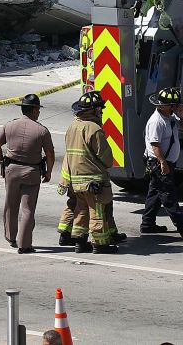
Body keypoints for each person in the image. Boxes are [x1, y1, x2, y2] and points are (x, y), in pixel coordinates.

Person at [58, 90, 121, 254]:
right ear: (93, 110)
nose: (101, 111)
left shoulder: (72, 126)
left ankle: (79, 243)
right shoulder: (94, 129)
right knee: (97, 213)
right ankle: (100, 245)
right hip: (94, 182)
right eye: (100, 109)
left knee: (81, 210)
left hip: (76, 181)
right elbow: (106, 158)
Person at [0, 93, 54, 254]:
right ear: (33, 110)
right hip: (32, 172)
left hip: (11, 170)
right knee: (27, 210)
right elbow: (50, 154)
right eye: (38, 109)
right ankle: (24, 245)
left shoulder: (9, 125)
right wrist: (48, 173)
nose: (39, 112)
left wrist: (1, 162)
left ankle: (11, 237)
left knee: (11, 205)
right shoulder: (42, 130)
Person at [142, 87, 183, 238]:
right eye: (175, 105)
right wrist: (163, 163)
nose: (177, 107)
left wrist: (181, 116)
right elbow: (154, 145)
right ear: (166, 106)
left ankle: (147, 224)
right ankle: (182, 225)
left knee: (155, 193)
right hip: (158, 162)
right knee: (168, 194)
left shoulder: (170, 117)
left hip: (166, 162)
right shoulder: (157, 121)